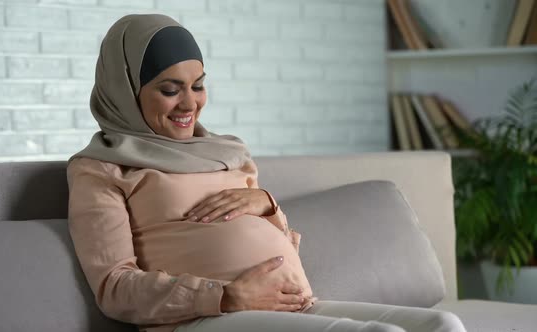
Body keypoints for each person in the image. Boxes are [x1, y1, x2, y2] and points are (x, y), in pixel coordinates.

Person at [67, 14, 467, 332]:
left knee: (442, 324)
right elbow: (114, 288)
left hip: (290, 305)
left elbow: (281, 247)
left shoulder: (227, 153)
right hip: (199, 321)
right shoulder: (102, 168)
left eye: (199, 85)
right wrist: (223, 297)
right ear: (125, 90)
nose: (189, 102)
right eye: (170, 89)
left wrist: (268, 204)